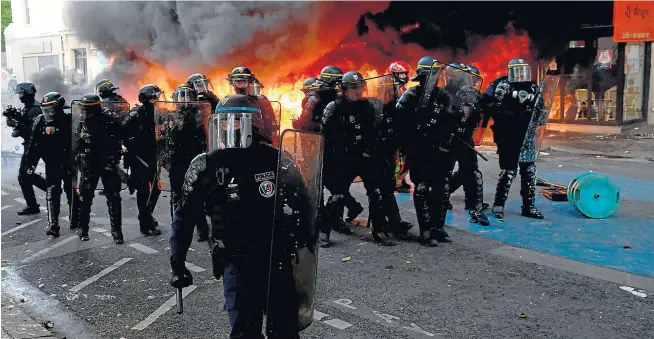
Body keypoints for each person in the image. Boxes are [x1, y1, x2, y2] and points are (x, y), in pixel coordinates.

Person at [170, 93, 315, 339]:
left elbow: (303, 209)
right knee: (245, 333)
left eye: (239, 120)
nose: (231, 126)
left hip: (276, 257)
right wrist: (177, 263)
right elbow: (184, 218)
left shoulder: (279, 161)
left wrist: (303, 247)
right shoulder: (206, 165)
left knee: (285, 332)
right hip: (236, 260)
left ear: (256, 123)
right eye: (226, 121)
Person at [320, 71, 395, 247]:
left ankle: (379, 230)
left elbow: (375, 132)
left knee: (376, 194)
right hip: (343, 158)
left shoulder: (368, 106)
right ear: (344, 89)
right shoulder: (334, 107)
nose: (357, 91)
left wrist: (373, 151)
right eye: (353, 88)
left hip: (365, 157)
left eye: (360, 87)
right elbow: (325, 135)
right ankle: (325, 230)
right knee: (338, 196)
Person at [396, 57, 455, 246]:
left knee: (442, 189)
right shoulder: (410, 96)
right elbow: (399, 121)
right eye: (434, 74)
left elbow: (452, 119)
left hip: (439, 151)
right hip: (418, 150)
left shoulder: (444, 96)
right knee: (421, 189)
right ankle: (426, 229)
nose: (437, 78)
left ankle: (438, 227)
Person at [485, 58, 546, 220]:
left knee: (529, 171)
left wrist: (538, 116)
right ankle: (498, 205)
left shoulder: (533, 87)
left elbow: (541, 108)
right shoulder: (502, 85)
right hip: (508, 135)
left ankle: (528, 206)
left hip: (527, 135)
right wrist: (511, 112)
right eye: (517, 70)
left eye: (522, 70)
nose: (520, 74)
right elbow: (492, 107)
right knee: (509, 171)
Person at [71, 94, 124, 243]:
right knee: (85, 198)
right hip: (89, 164)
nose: (86, 112)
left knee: (113, 198)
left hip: (107, 164)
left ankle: (116, 231)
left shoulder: (109, 121)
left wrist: (113, 160)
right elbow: (75, 143)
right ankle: (83, 228)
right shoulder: (79, 122)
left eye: (88, 109)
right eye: (84, 109)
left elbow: (119, 141)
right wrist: (76, 160)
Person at [160, 84, 210, 242]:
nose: (184, 102)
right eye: (181, 98)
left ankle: (202, 230)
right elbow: (165, 140)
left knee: (197, 196)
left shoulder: (200, 116)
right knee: (177, 197)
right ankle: (179, 229)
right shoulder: (170, 117)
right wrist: (163, 158)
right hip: (177, 164)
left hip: (195, 161)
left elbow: (205, 139)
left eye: (187, 97)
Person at [443, 64, 491, 226]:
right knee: (452, 172)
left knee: (468, 172)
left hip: (463, 140)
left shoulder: (467, 93)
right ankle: (470, 207)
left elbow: (481, 110)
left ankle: (474, 207)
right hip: (448, 140)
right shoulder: (443, 93)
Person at [24, 92, 77, 237]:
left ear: (59, 108)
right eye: (46, 109)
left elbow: (79, 142)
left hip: (69, 162)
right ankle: (53, 225)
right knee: (52, 192)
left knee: (72, 191)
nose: (49, 112)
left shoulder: (70, 120)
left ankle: (75, 218)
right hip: (52, 163)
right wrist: (30, 164)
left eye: (52, 109)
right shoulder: (40, 121)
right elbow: (34, 144)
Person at [370, 69, 413, 239]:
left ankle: (394, 223)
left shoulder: (395, 107)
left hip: (389, 150)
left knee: (386, 188)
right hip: (376, 152)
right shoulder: (374, 107)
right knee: (378, 191)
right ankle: (380, 227)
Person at [122, 84, 164, 236]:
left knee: (157, 188)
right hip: (140, 160)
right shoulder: (136, 115)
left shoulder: (159, 114)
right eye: (156, 97)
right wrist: (134, 150)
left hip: (154, 158)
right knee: (144, 191)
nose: (158, 99)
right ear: (151, 98)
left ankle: (147, 215)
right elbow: (123, 134)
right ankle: (145, 224)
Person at [9, 82, 48, 215]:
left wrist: (17, 125)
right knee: (25, 176)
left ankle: (50, 189)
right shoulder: (28, 108)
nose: (19, 96)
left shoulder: (35, 109)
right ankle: (37, 201)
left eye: (21, 93)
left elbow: (33, 131)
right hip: (32, 146)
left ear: (27, 93)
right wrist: (15, 121)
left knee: (24, 176)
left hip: (35, 147)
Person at [387, 61, 412, 193]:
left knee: (403, 156)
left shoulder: (401, 87)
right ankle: (396, 182)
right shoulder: (389, 87)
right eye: (401, 73)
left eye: (405, 73)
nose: (404, 76)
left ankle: (400, 180)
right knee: (398, 157)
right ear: (394, 73)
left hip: (403, 126)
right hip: (395, 127)